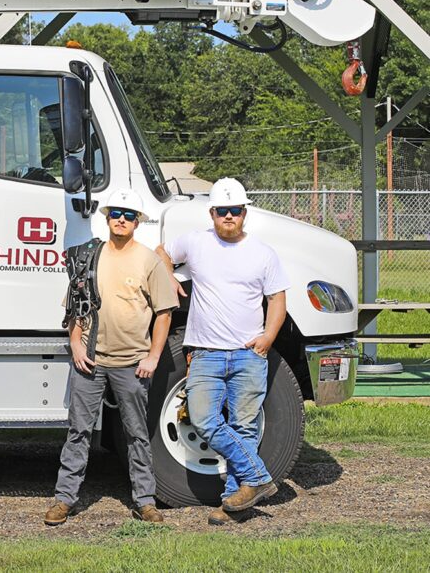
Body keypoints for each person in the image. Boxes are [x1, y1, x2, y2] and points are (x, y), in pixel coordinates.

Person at [156, 177, 290, 526]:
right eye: (222, 211)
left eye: (235, 210)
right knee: (203, 419)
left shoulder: (263, 253)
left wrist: (268, 338)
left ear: (245, 213)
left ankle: (232, 503)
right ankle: (258, 477)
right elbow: (161, 254)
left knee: (243, 428)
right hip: (206, 352)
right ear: (212, 213)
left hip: (249, 354)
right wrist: (169, 277)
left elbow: (277, 298)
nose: (229, 216)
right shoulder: (196, 243)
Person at [44, 190, 176, 527]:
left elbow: (164, 313)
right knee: (78, 432)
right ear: (107, 217)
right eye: (116, 212)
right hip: (90, 362)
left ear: (137, 222)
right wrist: (75, 342)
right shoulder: (90, 256)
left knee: (136, 435)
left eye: (128, 215)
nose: (121, 219)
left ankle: (145, 502)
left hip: (132, 364)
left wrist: (153, 356)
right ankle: (64, 500)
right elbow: (75, 305)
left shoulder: (149, 261)